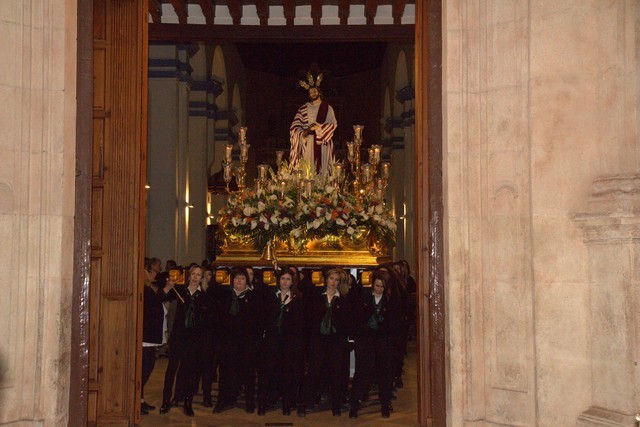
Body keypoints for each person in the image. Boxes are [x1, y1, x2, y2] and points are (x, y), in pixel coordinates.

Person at [348, 269, 402, 419]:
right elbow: (357, 319)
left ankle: (385, 404)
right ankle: (354, 404)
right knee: (362, 373)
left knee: (385, 374)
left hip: (383, 341)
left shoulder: (391, 300)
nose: (379, 289)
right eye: (377, 286)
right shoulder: (364, 298)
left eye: (382, 287)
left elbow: (395, 322)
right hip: (366, 341)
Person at [159, 264, 208, 417]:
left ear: (201, 278)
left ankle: (188, 402)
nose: (195, 277)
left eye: (198, 275)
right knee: (171, 370)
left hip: (194, 339)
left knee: (189, 371)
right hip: (178, 337)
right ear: (188, 276)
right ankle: (165, 401)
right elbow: (161, 297)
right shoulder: (180, 291)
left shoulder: (204, 296)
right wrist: (168, 286)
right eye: (193, 274)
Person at [298, 268, 348, 417]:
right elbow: (310, 319)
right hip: (318, 340)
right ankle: (306, 402)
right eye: (331, 279)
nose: (333, 282)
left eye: (337, 280)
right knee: (314, 371)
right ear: (326, 279)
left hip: (336, 341)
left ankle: (336, 404)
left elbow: (346, 322)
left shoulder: (343, 300)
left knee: (336, 372)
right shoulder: (317, 297)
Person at [257, 267, 305, 416]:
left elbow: (300, 323)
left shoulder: (298, 299)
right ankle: (263, 403)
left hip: (289, 342)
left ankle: (286, 404)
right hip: (272, 341)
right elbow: (264, 318)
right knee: (268, 373)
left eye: (288, 279)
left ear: (292, 282)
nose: (285, 282)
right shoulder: (271, 296)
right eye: (283, 279)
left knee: (287, 374)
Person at [214, 267, 262, 414]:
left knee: (247, 373)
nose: (239, 281)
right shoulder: (226, 296)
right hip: (228, 342)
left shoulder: (253, 297)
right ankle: (223, 400)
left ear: (247, 281)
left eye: (242, 278)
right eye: (236, 278)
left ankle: (249, 402)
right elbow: (219, 319)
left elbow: (257, 322)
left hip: (246, 343)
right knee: (226, 373)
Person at [140, 262, 174, 415]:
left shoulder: (148, 289)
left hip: (150, 337)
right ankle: (137, 400)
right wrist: (167, 289)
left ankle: (139, 399)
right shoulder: (145, 290)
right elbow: (154, 302)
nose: (154, 275)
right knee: (145, 368)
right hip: (145, 336)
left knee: (147, 367)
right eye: (151, 272)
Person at [289, 70, 337, 177]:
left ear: (319, 92)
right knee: (307, 170)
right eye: (311, 92)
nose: (313, 93)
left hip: (322, 142)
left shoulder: (327, 108)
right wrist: (303, 133)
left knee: (322, 170)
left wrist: (319, 127)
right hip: (308, 143)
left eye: (314, 91)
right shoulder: (303, 108)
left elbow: (333, 124)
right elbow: (294, 127)